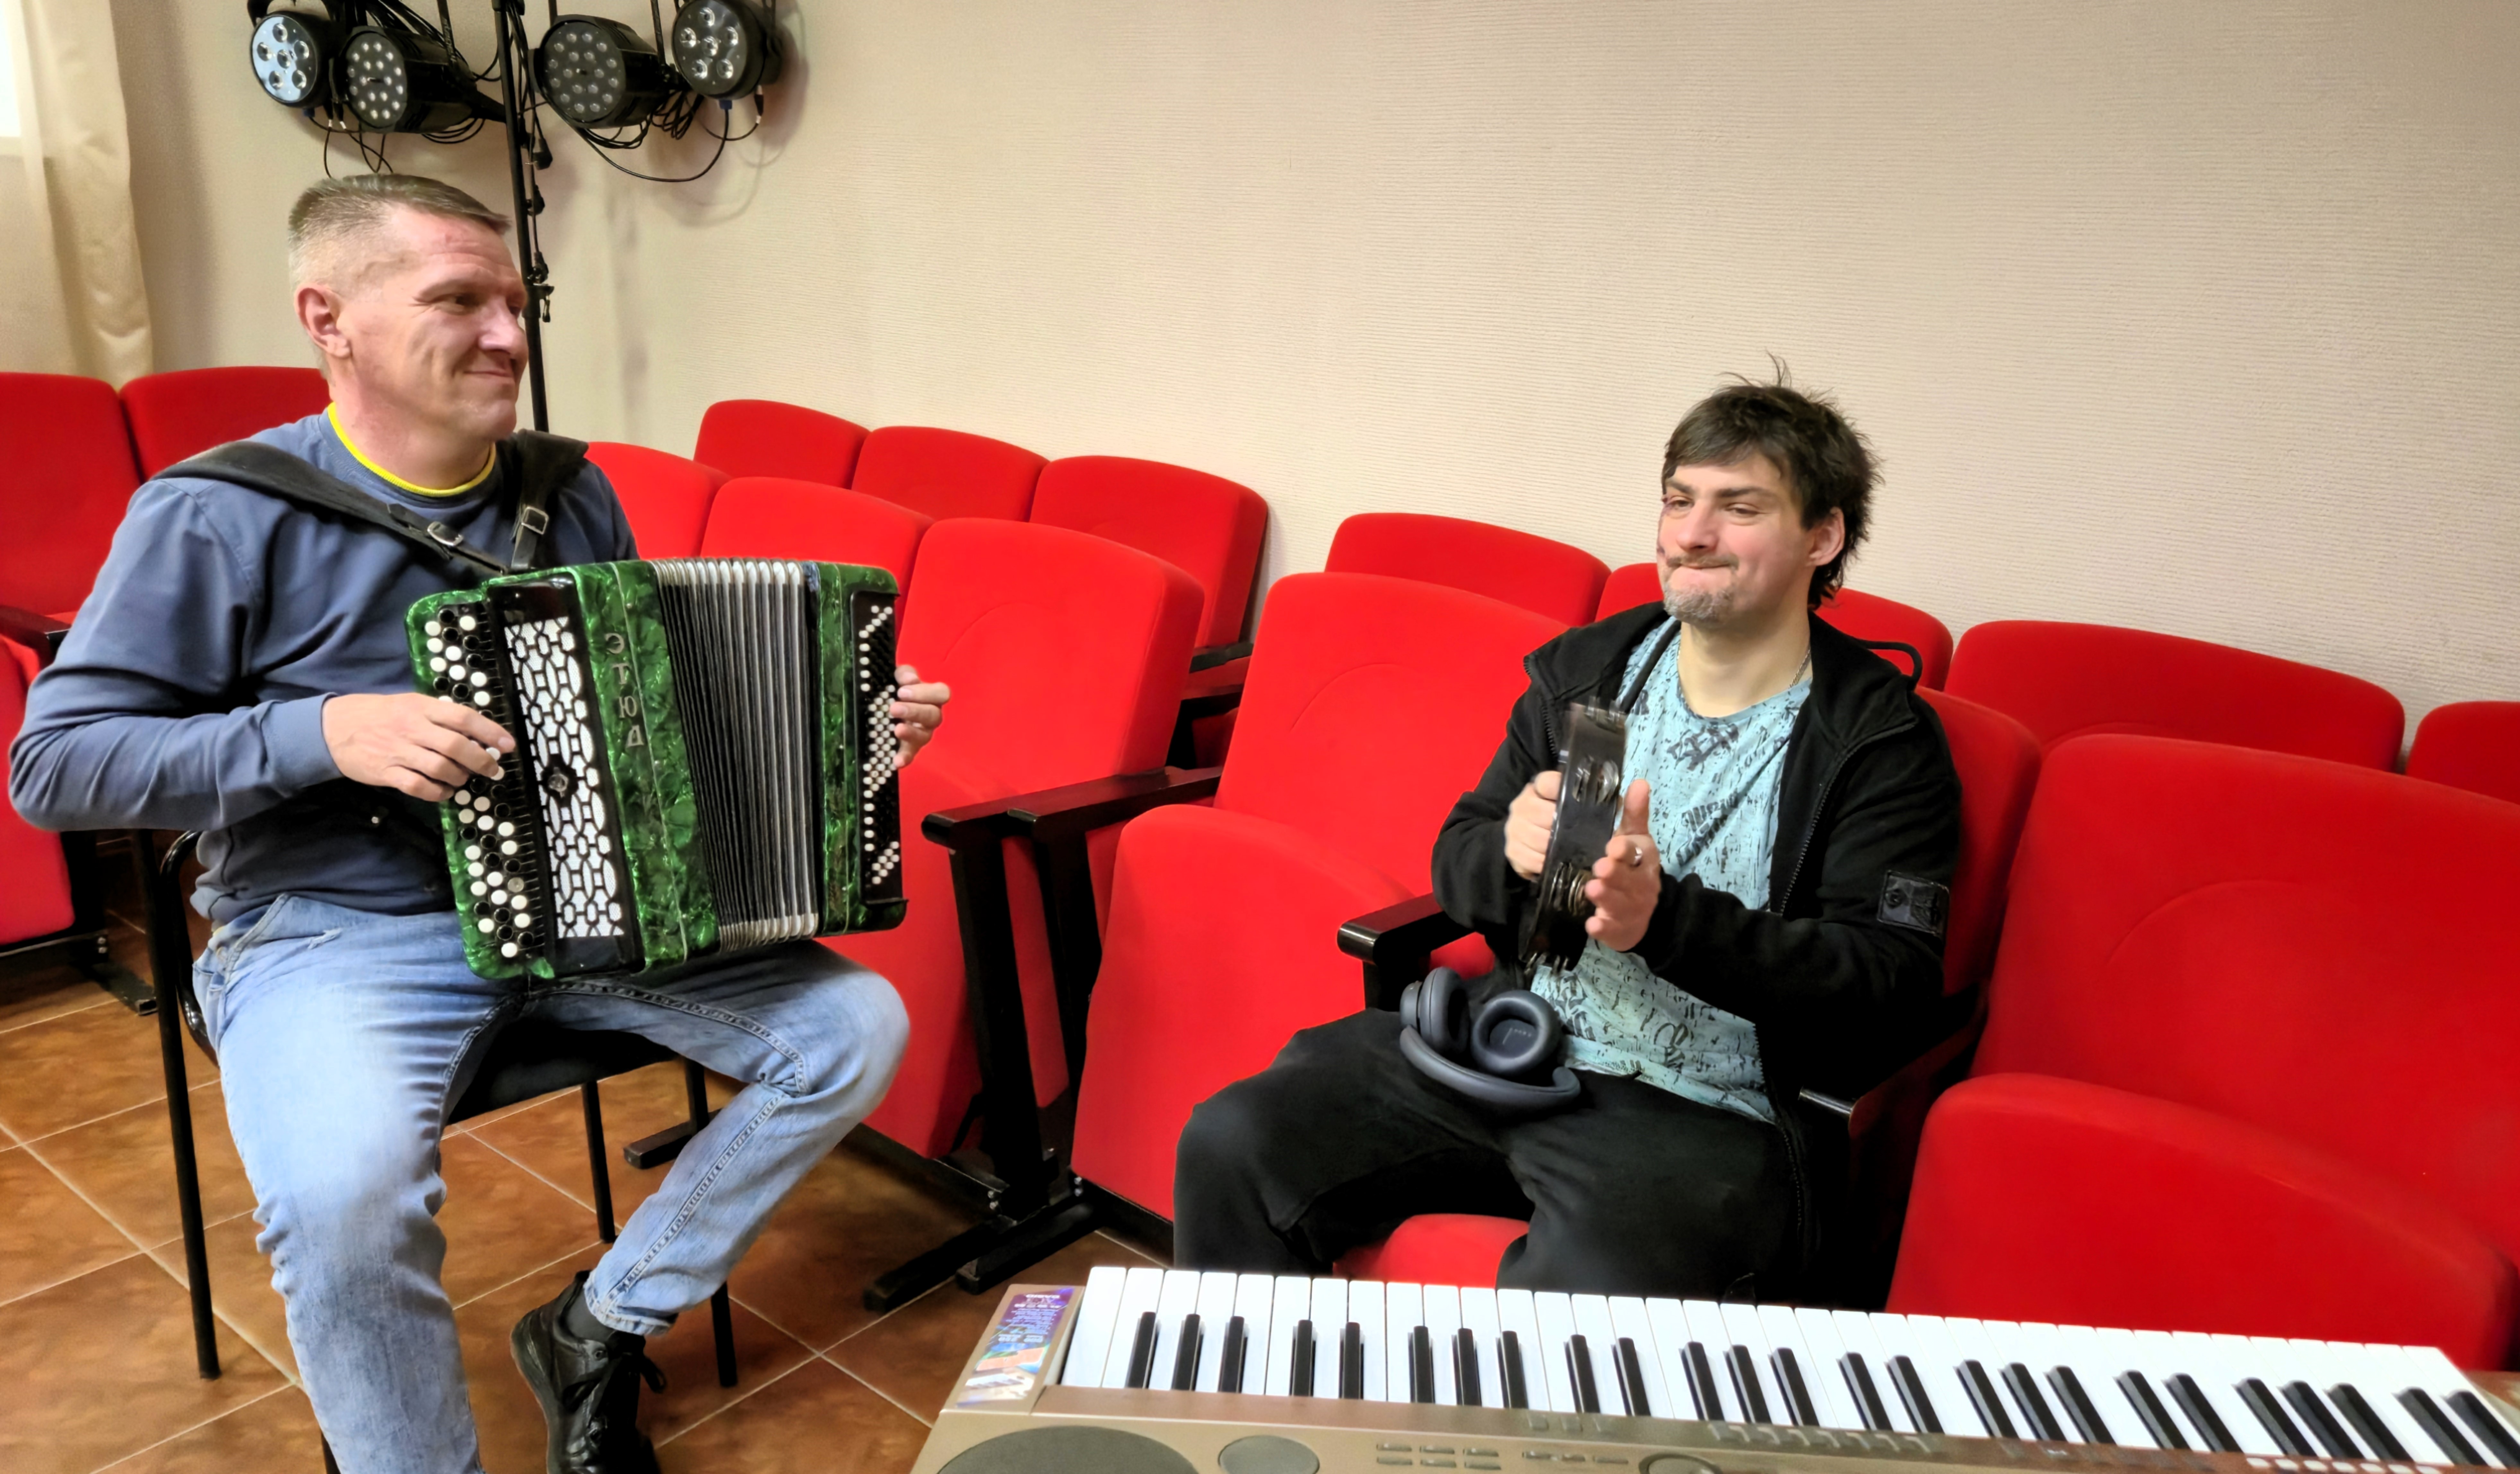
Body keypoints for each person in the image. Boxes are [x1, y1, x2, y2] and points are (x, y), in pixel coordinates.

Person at [8, 174, 941, 1474]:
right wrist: (321, 733)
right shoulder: (218, 511)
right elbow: (53, 767)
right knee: (342, 1204)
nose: (508, 335)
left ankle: (599, 1322)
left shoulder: (569, 491)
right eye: (459, 300)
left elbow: (643, 726)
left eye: (515, 301)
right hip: (342, 925)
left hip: (590, 905)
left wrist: (837, 735)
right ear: (328, 319)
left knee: (851, 1027)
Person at [1173, 375, 1961, 1299]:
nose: (1692, 534)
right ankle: (1261, 1391)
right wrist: (1507, 855)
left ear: (1822, 537)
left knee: (1577, 1296)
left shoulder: (1875, 741)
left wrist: (1663, 923)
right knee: (1232, 1141)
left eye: (1739, 508)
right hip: (1515, 1046)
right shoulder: (1591, 674)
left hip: (1704, 1115)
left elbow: (1890, 982)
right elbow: (1459, 855)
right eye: (1679, 501)